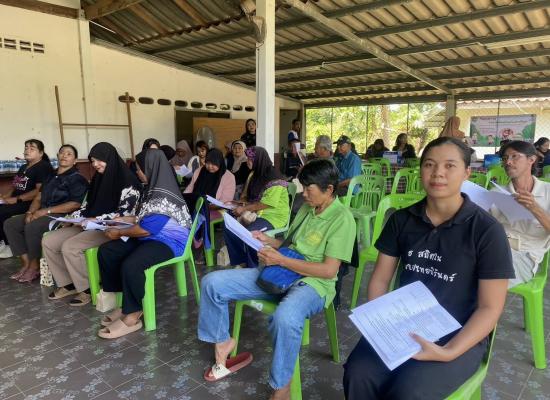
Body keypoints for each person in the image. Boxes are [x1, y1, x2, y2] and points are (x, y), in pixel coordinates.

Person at [343, 137, 514, 399]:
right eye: (430, 164)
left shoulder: (486, 231)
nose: (438, 173)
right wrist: (381, 326)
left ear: (467, 172)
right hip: (404, 323)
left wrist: (449, 352)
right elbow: (380, 280)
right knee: (358, 373)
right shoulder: (401, 220)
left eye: (449, 165)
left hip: (460, 332)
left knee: (409, 391)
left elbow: (490, 308)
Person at [198, 159, 355, 400]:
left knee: (285, 318)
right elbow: (291, 246)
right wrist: (270, 242)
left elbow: (328, 271)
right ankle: (223, 343)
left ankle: (282, 387)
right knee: (212, 283)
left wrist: (280, 260)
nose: (303, 194)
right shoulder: (308, 208)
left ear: (329, 189)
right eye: (303, 187)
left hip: (313, 283)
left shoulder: (342, 219)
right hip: (281, 272)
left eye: (309, 188)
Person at [96, 149, 192, 339]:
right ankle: (126, 304)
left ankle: (133, 314)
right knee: (108, 251)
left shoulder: (164, 196)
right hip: (151, 236)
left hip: (168, 241)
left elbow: (147, 229)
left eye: (140, 169)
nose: (138, 173)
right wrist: (125, 219)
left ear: (151, 169)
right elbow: (144, 218)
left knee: (132, 264)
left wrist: (119, 232)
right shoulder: (152, 188)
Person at [42, 143, 141, 306]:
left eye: (99, 160)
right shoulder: (98, 179)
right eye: (93, 161)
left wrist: (96, 219)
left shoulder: (129, 182)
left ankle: (86, 288)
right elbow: (87, 206)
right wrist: (71, 218)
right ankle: (68, 283)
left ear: (110, 159)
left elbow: (125, 215)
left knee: (71, 246)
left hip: (111, 228)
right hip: (89, 224)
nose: (95, 164)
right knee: (49, 241)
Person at [4, 144, 88, 283]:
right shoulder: (50, 176)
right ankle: (26, 264)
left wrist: (45, 211)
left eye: (69, 154)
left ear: (75, 161)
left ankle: (34, 266)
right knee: (10, 224)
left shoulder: (77, 178)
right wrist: (30, 212)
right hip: (42, 212)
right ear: (58, 156)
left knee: (32, 226)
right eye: (62, 152)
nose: (64, 155)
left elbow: (75, 204)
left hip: (62, 216)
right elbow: (38, 197)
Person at [490, 140, 550, 288]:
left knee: (484, 276)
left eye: (514, 156)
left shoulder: (547, 191)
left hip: (525, 255)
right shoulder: (496, 193)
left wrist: (535, 208)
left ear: (532, 159)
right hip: (494, 248)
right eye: (505, 158)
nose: (508, 162)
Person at [224, 146, 290, 268]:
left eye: (251, 159)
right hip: (256, 212)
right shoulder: (254, 174)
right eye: (247, 159)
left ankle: (252, 266)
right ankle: (240, 260)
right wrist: (237, 203)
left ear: (259, 160)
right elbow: (247, 197)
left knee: (251, 234)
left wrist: (244, 209)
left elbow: (266, 204)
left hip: (272, 217)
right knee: (228, 225)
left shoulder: (275, 178)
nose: (247, 162)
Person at [0, 139, 53, 258]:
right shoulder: (24, 167)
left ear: (40, 153)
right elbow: (15, 186)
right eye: (26, 148)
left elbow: (39, 191)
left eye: (32, 148)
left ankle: (9, 246)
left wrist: (16, 199)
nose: (27, 150)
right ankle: (2, 242)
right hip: (17, 200)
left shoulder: (43, 167)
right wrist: (4, 197)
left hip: (31, 203)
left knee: (2, 211)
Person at [185, 148, 236, 218]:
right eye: (207, 163)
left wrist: (206, 207)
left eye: (214, 164)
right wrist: (184, 198)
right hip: (196, 205)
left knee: (199, 218)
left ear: (220, 163)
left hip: (216, 209)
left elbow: (226, 201)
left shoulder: (229, 177)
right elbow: (190, 188)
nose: (210, 166)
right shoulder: (199, 171)